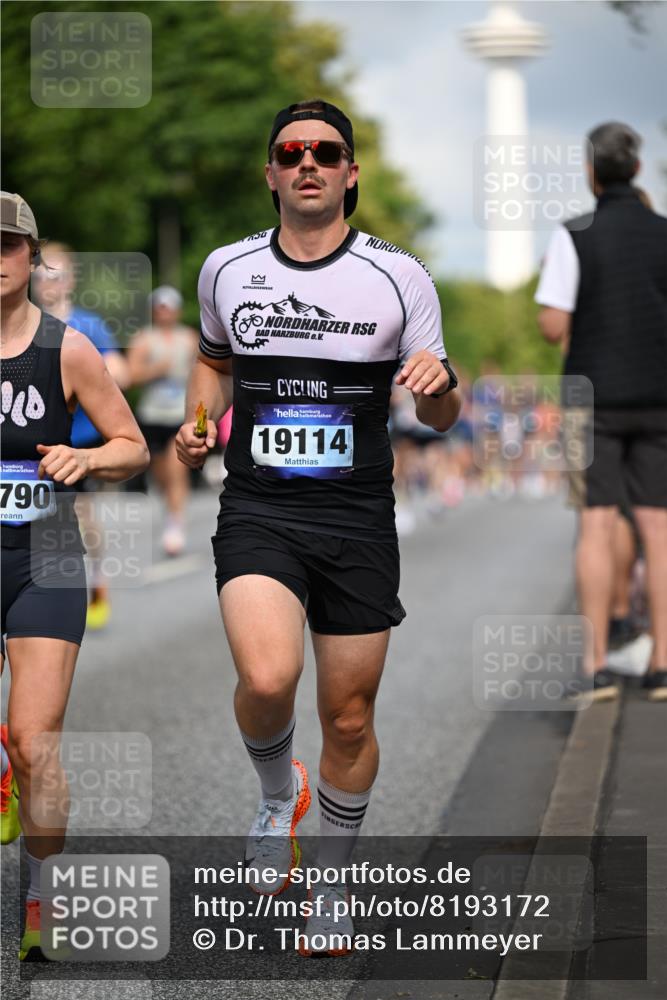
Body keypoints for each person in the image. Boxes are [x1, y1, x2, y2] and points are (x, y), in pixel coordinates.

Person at [176, 100, 461, 955]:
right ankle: (275, 796)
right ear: (269, 173)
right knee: (267, 679)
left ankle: (330, 884)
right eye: (290, 152)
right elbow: (213, 360)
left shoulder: (397, 277)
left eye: (325, 153)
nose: (307, 163)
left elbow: (444, 414)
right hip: (259, 506)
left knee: (347, 717)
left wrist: (436, 385)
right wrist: (199, 425)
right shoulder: (226, 269)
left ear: (349, 173)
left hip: (357, 515)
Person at [0, 191, 149, 959]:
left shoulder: (68, 349)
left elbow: (133, 445)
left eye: (8, 245)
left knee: (33, 740)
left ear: (32, 259)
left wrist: (87, 457)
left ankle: (42, 902)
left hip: (44, 552)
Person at [535, 122, 667, 701]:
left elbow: (552, 325)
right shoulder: (665, 233)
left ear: (591, 173)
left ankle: (596, 665)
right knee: (659, 528)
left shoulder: (574, 235)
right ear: (637, 170)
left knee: (595, 524)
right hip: (660, 397)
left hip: (594, 400)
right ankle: (663, 663)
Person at [31, 242, 130, 630]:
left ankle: (96, 580)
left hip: (80, 442)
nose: (48, 284)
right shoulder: (20, 323)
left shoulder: (88, 325)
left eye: (55, 276)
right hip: (32, 441)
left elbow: (120, 372)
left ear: (70, 280)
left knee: (79, 517)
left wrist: (85, 375)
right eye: (41, 276)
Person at [127, 286, 198, 556]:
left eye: (169, 307)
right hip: (153, 413)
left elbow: (205, 372)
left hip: (180, 414)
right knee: (160, 474)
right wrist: (155, 369)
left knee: (177, 468)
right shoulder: (144, 339)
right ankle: (171, 512)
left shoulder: (189, 338)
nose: (165, 312)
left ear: (177, 310)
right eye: (160, 307)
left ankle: (176, 523)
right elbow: (130, 376)